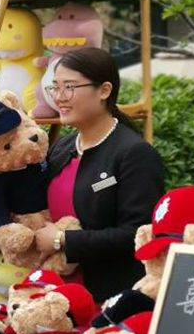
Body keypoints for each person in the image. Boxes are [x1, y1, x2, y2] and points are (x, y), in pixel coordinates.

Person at [34, 48, 164, 303]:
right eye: (54, 87)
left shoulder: (134, 153)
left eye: (69, 87)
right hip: (54, 296)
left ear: (104, 90)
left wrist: (62, 239)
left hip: (108, 299)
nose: (59, 97)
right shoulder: (63, 147)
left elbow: (138, 234)